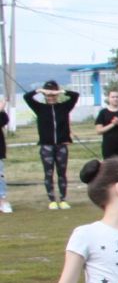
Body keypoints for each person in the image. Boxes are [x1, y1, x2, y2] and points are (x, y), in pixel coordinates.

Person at [24, 81, 80, 209]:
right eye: (49, 94)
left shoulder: (64, 107)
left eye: (53, 94)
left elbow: (75, 95)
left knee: (62, 173)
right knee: (48, 173)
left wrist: (60, 92)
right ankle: (52, 200)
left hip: (61, 145)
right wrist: (39, 91)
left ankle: (63, 199)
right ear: (45, 95)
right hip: (46, 145)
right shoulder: (39, 108)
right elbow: (27, 97)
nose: (51, 97)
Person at [95, 88, 118, 160]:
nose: (115, 99)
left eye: (117, 97)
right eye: (113, 97)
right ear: (108, 98)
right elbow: (99, 131)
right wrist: (112, 124)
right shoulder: (103, 112)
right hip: (109, 145)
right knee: (110, 167)